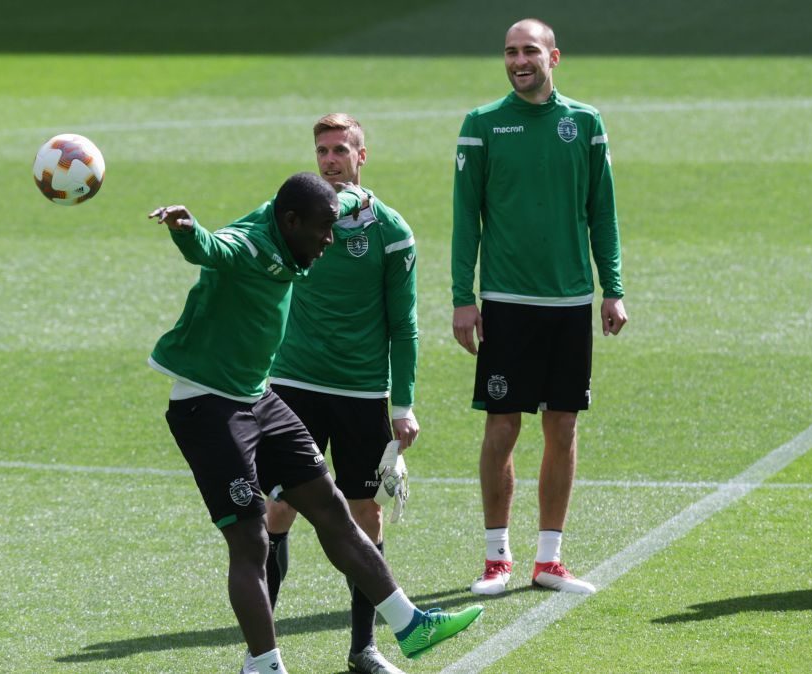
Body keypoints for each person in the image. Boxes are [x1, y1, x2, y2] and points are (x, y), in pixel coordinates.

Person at [147, 173, 482, 674]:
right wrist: (186, 228)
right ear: (290, 221)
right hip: (209, 406)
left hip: (257, 396)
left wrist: (360, 196)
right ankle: (264, 665)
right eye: (324, 229)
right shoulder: (252, 245)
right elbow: (212, 248)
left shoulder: (301, 221)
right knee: (251, 538)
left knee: (332, 508)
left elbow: (341, 198)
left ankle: (409, 625)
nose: (330, 240)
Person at [451, 18, 629, 597]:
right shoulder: (481, 125)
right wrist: (462, 298)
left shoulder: (585, 122)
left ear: (555, 56)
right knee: (502, 427)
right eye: (509, 51)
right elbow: (465, 220)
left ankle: (549, 560)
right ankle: (497, 559)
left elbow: (601, 211)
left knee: (563, 425)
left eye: (529, 50)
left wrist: (613, 288)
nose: (518, 60)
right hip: (505, 302)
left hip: (571, 301)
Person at [261, 114, 419, 674]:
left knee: (364, 518)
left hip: (360, 394)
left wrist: (402, 405)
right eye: (322, 150)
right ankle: (265, 652)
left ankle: (363, 649)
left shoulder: (392, 232)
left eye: (340, 151)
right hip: (293, 387)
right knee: (278, 510)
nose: (330, 160)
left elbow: (404, 325)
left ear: (361, 156)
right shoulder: (293, 220)